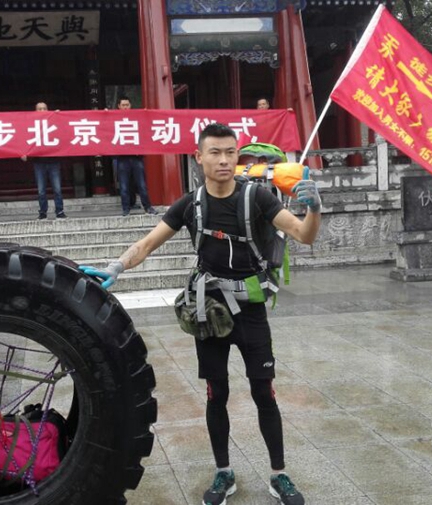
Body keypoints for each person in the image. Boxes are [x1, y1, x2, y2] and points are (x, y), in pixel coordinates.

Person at [80, 123, 321, 505]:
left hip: (251, 313)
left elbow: (304, 234)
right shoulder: (190, 205)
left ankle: (279, 474)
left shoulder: (256, 197)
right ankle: (224, 472)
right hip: (210, 313)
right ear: (199, 157)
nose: (224, 160)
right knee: (216, 393)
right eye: (215, 152)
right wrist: (117, 266)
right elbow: (148, 243)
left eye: (230, 152)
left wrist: (315, 210)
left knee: (264, 392)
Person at [113, 96, 157, 217]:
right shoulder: (114, 118)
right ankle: (126, 209)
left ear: (130, 105)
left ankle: (148, 207)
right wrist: (105, 114)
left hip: (136, 157)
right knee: (124, 186)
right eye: (123, 105)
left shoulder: (137, 117)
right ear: (118, 106)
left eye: (127, 105)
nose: (125, 107)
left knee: (142, 184)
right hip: (122, 158)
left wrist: (147, 114)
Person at [22, 102, 66, 220]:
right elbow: (23, 137)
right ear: (35, 111)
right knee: (41, 190)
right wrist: (24, 152)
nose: (42, 111)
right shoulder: (31, 123)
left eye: (44, 108)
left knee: (57, 189)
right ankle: (43, 212)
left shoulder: (53, 120)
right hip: (39, 162)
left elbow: (65, 128)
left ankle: (59, 211)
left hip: (53, 161)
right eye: (39, 109)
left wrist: (58, 116)